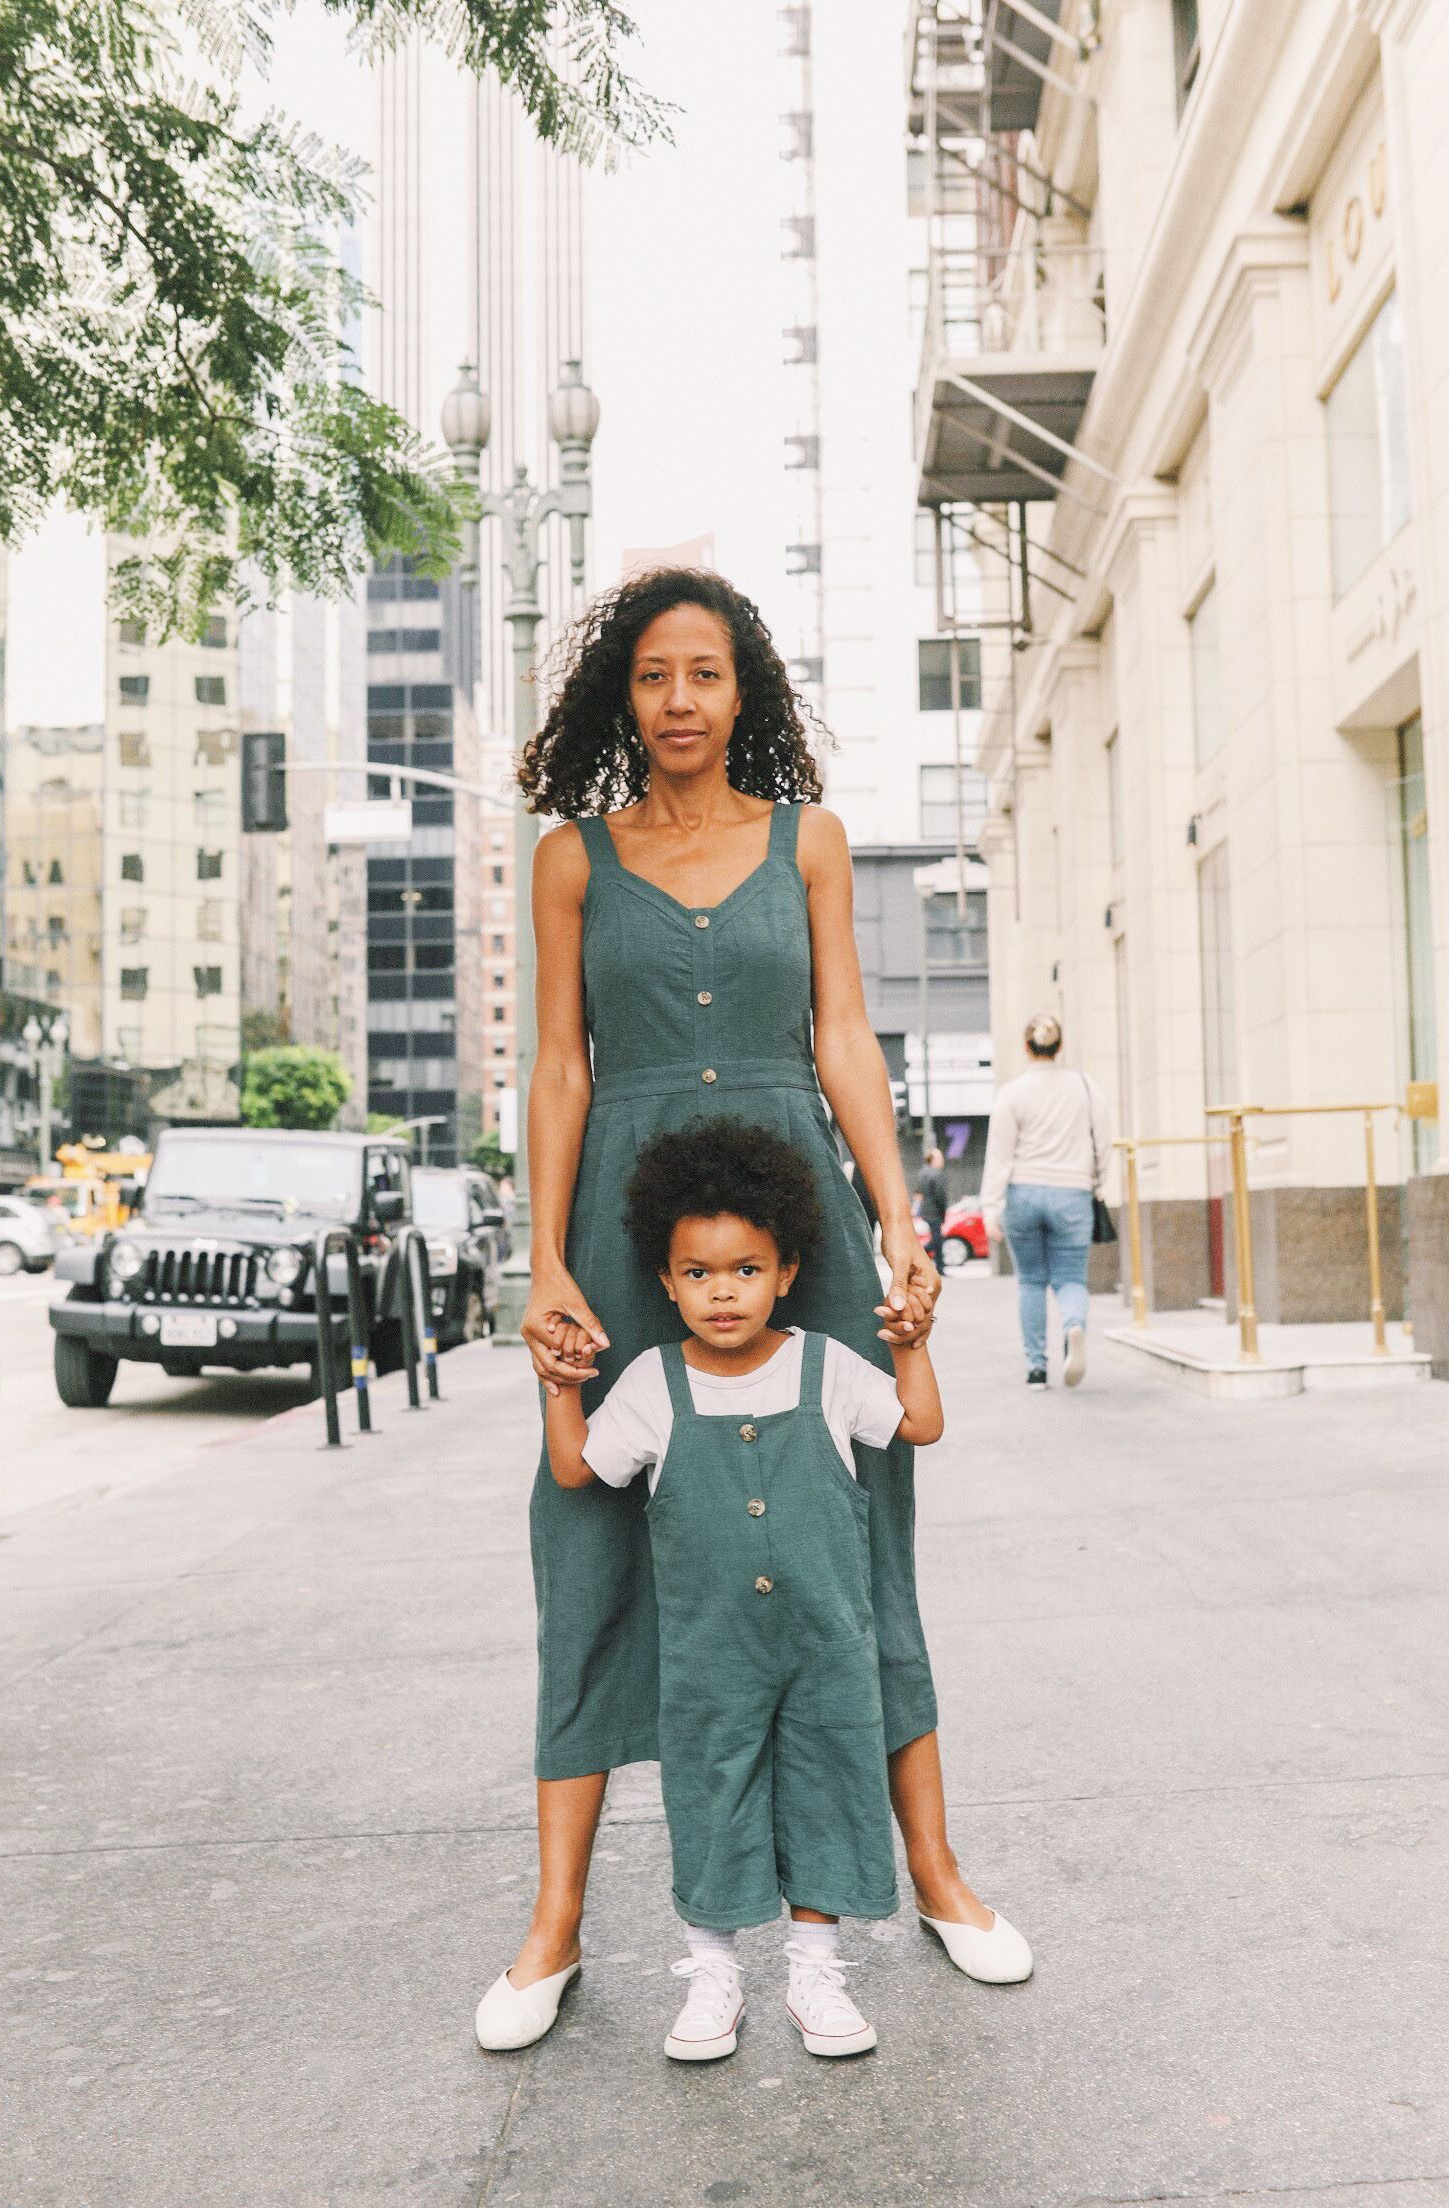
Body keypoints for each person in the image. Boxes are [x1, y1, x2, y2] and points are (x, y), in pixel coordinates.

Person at [474, 567, 1032, 2057]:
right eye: (652, 676)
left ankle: (934, 1875)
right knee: (585, 1540)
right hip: (619, 1222)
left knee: (864, 1539)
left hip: (804, 1224)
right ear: (621, 694)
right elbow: (561, 1069)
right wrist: (547, 1261)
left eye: (704, 674)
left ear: (745, 691)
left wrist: (898, 1218)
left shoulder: (815, 844)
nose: (676, 701)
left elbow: (844, 1033)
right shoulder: (572, 860)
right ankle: (556, 1927)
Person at [544, 1118, 946, 2062]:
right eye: (697, 1273)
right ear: (664, 1280)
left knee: (826, 1785)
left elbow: (919, 1423)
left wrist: (912, 1340)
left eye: (746, 1269)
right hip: (708, 1652)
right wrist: (558, 1378)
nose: (722, 1292)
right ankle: (713, 1971)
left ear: (788, 1272)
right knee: (711, 1793)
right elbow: (577, 1471)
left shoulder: (828, 1368)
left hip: (825, 1641)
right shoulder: (651, 1384)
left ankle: (816, 1968)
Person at [980, 1013, 1112, 1389]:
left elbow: (999, 1156)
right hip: (1073, 1193)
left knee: (1031, 1282)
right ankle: (1074, 1326)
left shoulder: (1012, 1093)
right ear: (1060, 1046)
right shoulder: (1086, 1087)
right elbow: (1103, 1143)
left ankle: (1037, 1368)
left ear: (1026, 1047)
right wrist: (1096, 1181)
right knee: (1070, 1278)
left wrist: (991, 1208)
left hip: (1023, 1194)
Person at [917, 1145, 950, 1276]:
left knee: (938, 1239)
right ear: (933, 1159)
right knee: (937, 1239)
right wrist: (943, 1214)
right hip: (935, 1212)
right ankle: (920, 1254)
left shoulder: (923, 1173)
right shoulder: (936, 1174)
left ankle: (940, 1267)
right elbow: (940, 1196)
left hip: (926, 1211)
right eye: (940, 1157)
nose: (942, 1160)